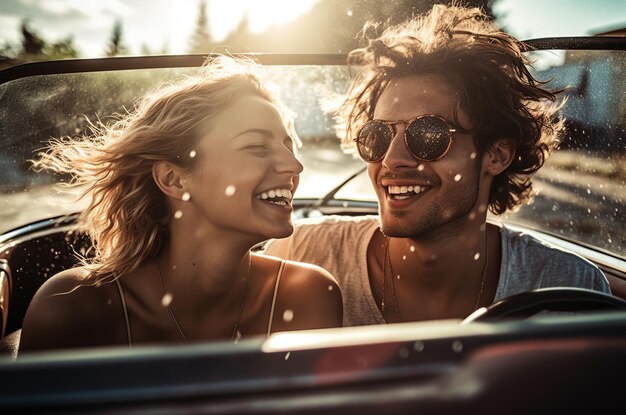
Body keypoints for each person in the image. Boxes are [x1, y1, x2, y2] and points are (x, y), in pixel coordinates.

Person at [264, 4, 610, 326]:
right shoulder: (302, 254)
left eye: (428, 134)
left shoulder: (567, 287)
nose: (392, 159)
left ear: (497, 154)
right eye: (378, 135)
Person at [19, 56, 342, 352]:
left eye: (289, 147)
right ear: (173, 179)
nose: (295, 166)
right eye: (256, 146)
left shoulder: (308, 294)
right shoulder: (72, 307)